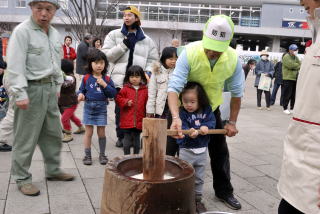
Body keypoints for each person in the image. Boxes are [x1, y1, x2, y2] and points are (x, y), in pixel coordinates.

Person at [168, 15, 244, 210]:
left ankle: (224, 191)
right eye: (210, 47)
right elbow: (174, 87)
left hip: (211, 109)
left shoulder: (233, 58)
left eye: (218, 50)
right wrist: (176, 117)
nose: (212, 52)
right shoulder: (189, 52)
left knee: (219, 151)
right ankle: (165, 190)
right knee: (169, 150)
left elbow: (237, 94)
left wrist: (232, 122)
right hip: (182, 107)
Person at [6, 0, 74, 196]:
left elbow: (56, 63)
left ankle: (53, 170)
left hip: (50, 89)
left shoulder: (54, 34)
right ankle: (21, 177)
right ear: (31, 8)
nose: (43, 13)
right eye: (39, 8)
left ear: (54, 11)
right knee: (26, 137)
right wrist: (20, 93)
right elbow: (15, 65)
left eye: (49, 9)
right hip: (30, 89)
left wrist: (58, 85)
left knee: (53, 134)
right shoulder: (22, 31)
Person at [278, 0, 320, 213]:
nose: (301, 2)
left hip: (314, 171)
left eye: (306, 4)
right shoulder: (316, 33)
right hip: (299, 158)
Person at [102, 5, 158, 148]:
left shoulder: (147, 40)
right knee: (120, 110)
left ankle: (135, 136)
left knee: (138, 110)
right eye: (124, 15)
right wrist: (123, 45)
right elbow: (106, 56)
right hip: (120, 82)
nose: (126, 17)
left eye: (130, 15)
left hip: (139, 83)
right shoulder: (114, 35)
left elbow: (153, 61)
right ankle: (121, 136)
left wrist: (148, 72)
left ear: (137, 18)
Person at [177, 82, 215, 213]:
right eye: (185, 101)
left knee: (199, 177)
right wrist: (189, 131)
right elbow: (182, 127)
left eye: (192, 101)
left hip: (202, 150)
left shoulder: (207, 109)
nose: (188, 105)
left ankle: (197, 200)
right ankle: (182, 199)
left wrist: (206, 127)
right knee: (184, 175)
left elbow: (211, 122)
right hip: (186, 150)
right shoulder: (182, 112)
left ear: (200, 100)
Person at [78, 49, 117, 165]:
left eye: (102, 63)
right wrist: (80, 94)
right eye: (96, 63)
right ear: (90, 64)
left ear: (105, 64)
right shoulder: (86, 78)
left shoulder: (107, 79)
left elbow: (113, 94)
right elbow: (81, 90)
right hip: (88, 107)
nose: (99, 65)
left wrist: (105, 85)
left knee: (101, 133)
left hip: (101, 109)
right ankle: (87, 155)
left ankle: (102, 154)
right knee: (88, 133)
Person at [146, 46, 179, 156]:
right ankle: (158, 153)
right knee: (160, 132)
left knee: (173, 132)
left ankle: (172, 153)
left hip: (174, 108)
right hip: (161, 108)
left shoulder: (179, 71)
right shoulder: (157, 71)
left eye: (176, 59)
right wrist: (150, 110)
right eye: (170, 59)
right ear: (164, 58)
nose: (173, 61)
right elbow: (152, 92)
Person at [116, 65, 148, 155]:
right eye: (132, 76)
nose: (134, 79)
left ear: (141, 77)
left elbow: (148, 104)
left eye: (137, 76)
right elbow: (118, 99)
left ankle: (136, 157)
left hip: (139, 119)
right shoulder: (125, 89)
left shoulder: (145, 90)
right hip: (127, 119)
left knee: (137, 140)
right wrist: (126, 102)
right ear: (128, 77)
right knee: (126, 140)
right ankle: (126, 157)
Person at [59, 59, 85, 142]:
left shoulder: (70, 78)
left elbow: (64, 85)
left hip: (71, 103)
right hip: (64, 102)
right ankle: (81, 127)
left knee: (64, 119)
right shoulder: (64, 76)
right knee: (72, 117)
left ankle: (68, 134)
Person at [281, 44, 301, 115]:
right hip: (287, 78)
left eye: (296, 50)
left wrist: (296, 65)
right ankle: (285, 108)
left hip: (294, 78)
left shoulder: (296, 57)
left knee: (293, 94)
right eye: (294, 50)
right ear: (290, 50)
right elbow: (290, 65)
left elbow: (300, 64)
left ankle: (292, 108)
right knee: (287, 94)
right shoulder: (286, 57)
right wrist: (296, 66)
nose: (296, 51)